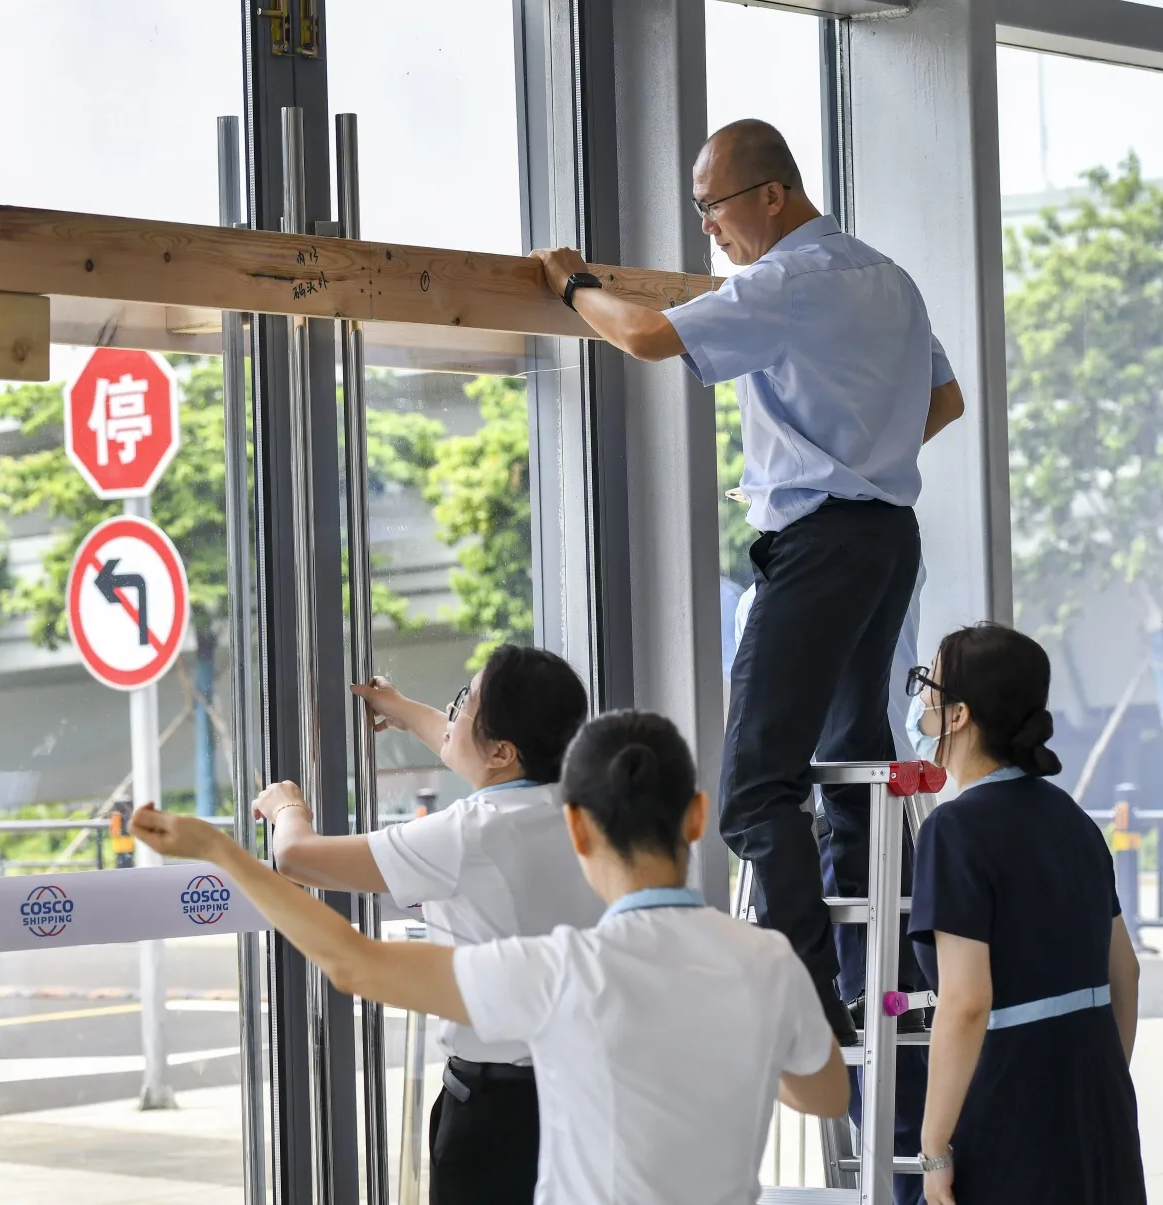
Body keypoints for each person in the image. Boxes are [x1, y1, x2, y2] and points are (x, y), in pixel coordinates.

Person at [533, 118, 965, 1046]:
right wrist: (854, 460)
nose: (709, 232)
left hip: (818, 549)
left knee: (752, 793)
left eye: (712, 207)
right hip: (886, 535)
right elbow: (945, 400)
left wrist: (572, 283)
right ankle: (889, 987)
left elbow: (647, 336)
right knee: (856, 766)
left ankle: (806, 1004)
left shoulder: (787, 281)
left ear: (771, 194)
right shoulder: (890, 278)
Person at [133, 710, 849, 1205]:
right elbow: (825, 1095)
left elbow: (353, 963)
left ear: (576, 826)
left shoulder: (562, 969)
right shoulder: (769, 960)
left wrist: (222, 851)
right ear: (695, 815)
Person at [251, 645, 599, 1204]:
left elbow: (298, 858)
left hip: (498, 1114)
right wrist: (401, 708)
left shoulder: (469, 833)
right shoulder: (585, 806)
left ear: (505, 750)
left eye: (464, 704)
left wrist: (287, 806)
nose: (451, 713)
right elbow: (469, 749)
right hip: (587, 1095)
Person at [905, 623, 1143, 1203]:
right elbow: (1125, 975)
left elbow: (964, 1003)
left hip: (1010, 1109)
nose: (919, 701)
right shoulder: (1075, 823)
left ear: (958, 714)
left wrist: (934, 1147)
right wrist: (1099, 1083)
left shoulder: (954, 831)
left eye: (926, 684)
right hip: (1100, 1104)